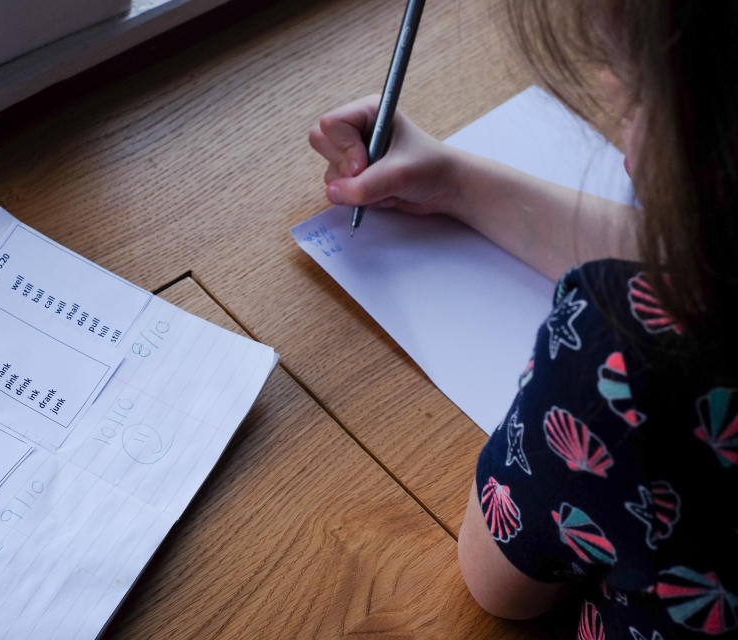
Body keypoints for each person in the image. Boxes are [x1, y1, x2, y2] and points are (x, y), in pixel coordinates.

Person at [309, 1, 738, 637]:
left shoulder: (620, 356)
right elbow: (697, 266)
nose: (609, 88)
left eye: (639, 84)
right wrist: (457, 183)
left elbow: (498, 584)